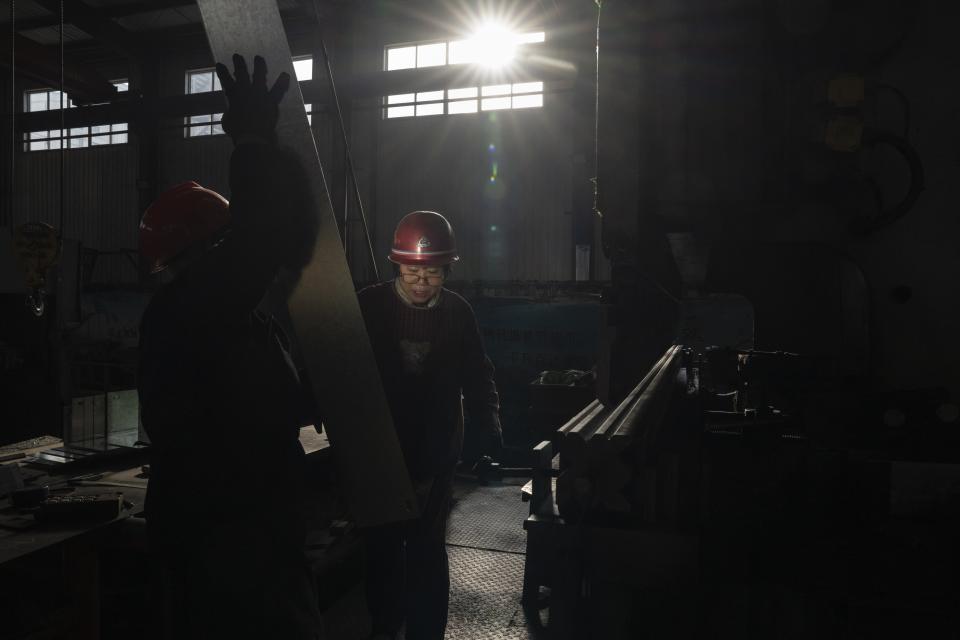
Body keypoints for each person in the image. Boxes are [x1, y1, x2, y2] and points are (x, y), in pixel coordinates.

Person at [137, 54, 322, 639]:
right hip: (227, 551)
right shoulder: (195, 306)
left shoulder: (231, 315)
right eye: (226, 242)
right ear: (205, 250)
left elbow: (287, 239)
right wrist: (251, 141)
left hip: (248, 538)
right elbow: (266, 236)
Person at [357, 211, 502, 640]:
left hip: (437, 452)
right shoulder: (367, 307)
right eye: (411, 272)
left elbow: (478, 374)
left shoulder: (459, 314)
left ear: (447, 270)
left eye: (432, 274)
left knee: (426, 552)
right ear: (396, 266)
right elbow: (339, 368)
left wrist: (489, 424)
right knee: (382, 553)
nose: (421, 283)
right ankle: (384, 629)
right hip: (382, 453)